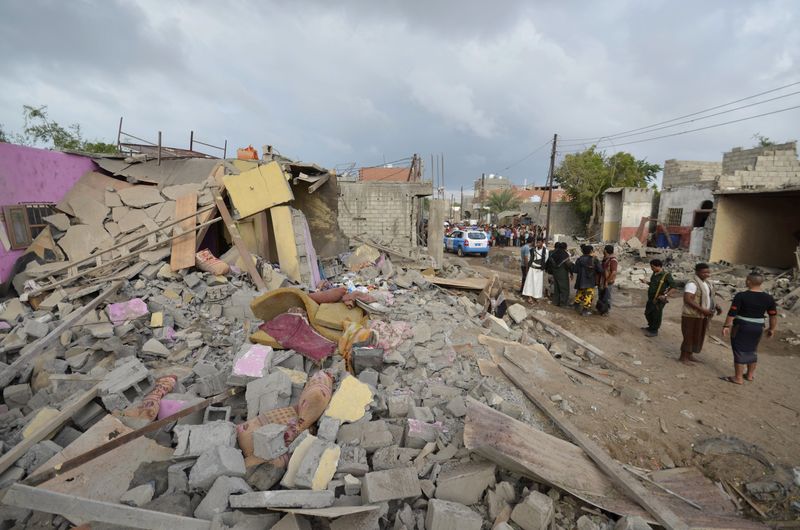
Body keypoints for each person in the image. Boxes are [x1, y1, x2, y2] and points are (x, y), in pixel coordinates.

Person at [721, 273, 778, 384]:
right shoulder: (769, 298)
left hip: (741, 326)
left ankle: (738, 378)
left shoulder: (741, 295)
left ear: (748, 281)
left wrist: (726, 325)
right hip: (758, 328)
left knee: (739, 350)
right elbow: (773, 315)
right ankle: (750, 375)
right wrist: (772, 329)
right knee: (752, 349)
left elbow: (732, 312)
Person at [680, 263, 722, 365]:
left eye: (708, 272)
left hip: (702, 315)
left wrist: (716, 306)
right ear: (697, 272)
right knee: (689, 336)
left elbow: (709, 297)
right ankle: (683, 357)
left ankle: (689, 355)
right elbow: (688, 299)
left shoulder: (707, 283)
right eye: (704, 272)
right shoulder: (692, 284)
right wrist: (703, 310)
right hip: (691, 315)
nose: (707, 274)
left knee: (697, 336)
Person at [641, 259, 676, 337]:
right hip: (651, 298)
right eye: (651, 267)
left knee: (656, 314)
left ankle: (654, 330)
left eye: (652, 267)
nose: (651, 268)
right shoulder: (654, 273)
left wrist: (665, 295)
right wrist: (646, 282)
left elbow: (673, 287)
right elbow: (653, 284)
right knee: (648, 312)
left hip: (659, 299)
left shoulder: (666, 275)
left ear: (659, 266)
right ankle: (650, 327)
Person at [573, 245, 602, 316]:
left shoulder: (579, 259)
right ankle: (585, 311)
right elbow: (600, 270)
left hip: (580, 280)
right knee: (589, 295)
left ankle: (576, 305)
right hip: (590, 281)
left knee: (580, 292)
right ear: (591, 251)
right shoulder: (594, 260)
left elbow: (575, 270)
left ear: (582, 251)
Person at [522, 237, 548, 303]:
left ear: (542, 243)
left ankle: (536, 296)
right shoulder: (532, 250)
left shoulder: (546, 251)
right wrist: (528, 267)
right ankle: (529, 297)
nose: (538, 244)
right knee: (530, 283)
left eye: (539, 242)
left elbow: (545, 260)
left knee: (538, 284)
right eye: (537, 242)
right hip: (532, 268)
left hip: (539, 270)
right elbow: (529, 258)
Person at [547, 242, 573, 306]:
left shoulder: (554, 253)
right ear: (565, 247)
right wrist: (571, 273)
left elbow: (550, 261)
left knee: (557, 287)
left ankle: (556, 302)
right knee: (564, 288)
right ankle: (563, 303)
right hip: (562, 272)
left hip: (555, 272)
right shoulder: (565, 254)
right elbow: (568, 264)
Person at [597, 245, 618, 316]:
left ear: (605, 251)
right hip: (602, 281)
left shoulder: (613, 260)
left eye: (604, 250)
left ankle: (606, 311)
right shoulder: (605, 259)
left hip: (607, 282)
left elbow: (613, 272)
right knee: (601, 296)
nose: (603, 251)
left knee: (607, 297)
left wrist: (607, 281)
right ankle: (601, 309)